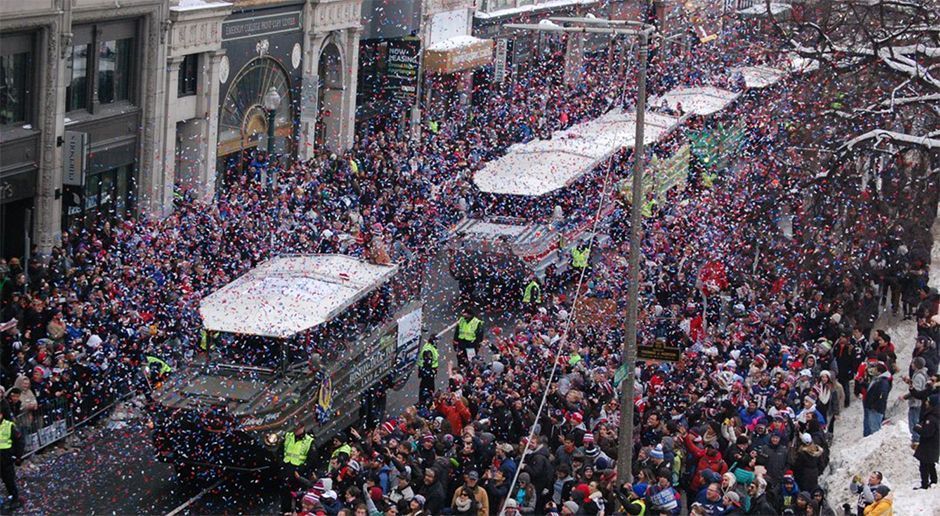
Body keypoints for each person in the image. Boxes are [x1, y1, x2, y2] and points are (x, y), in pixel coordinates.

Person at [282, 424, 315, 513]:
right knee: (285, 494)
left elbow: (311, 459)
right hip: (287, 468)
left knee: (299, 495)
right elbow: (281, 451)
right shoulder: (289, 436)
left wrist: (300, 469)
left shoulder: (309, 441)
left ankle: (299, 512)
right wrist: (281, 464)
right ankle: (286, 512)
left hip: (299, 472)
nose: (295, 430)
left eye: (298, 428)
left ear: (303, 428)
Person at [913, 393, 939, 490]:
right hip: (933, 445)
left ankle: (925, 484)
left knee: (924, 465)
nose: (926, 403)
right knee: (930, 464)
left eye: (928, 401)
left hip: (928, 446)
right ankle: (933, 481)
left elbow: (927, 432)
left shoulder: (931, 418)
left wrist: (917, 428)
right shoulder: (935, 415)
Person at [0, 408, 23, 509]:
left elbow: (19, 442)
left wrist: (18, 456)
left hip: (6, 457)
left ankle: (15, 498)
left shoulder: (9, 426)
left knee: (8, 479)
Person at [904, 357, 929, 444]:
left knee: (914, 422)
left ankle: (916, 440)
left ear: (917, 365)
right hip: (918, 403)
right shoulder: (922, 374)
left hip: (916, 403)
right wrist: (909, 382)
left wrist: (905, 397)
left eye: (913, 363)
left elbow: (916, 391)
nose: (911, 365)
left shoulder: (918, 376)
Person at [863, 364, 891, 436]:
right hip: (872, 407)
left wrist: (874, 405)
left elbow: (881, 396)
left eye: (875, 369)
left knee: (875, 430)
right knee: (871, 426)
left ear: (879, 371)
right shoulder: (878, 379)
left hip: (876, 409)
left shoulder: (883, 382)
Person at [417, 337, 439, 409]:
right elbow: (427, 364)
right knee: (428, 389)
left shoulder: (430, 347)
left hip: (428, 374)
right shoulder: (428, 350)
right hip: (427, 376)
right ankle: (424, 403)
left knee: (428, 388)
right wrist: (432, 373)